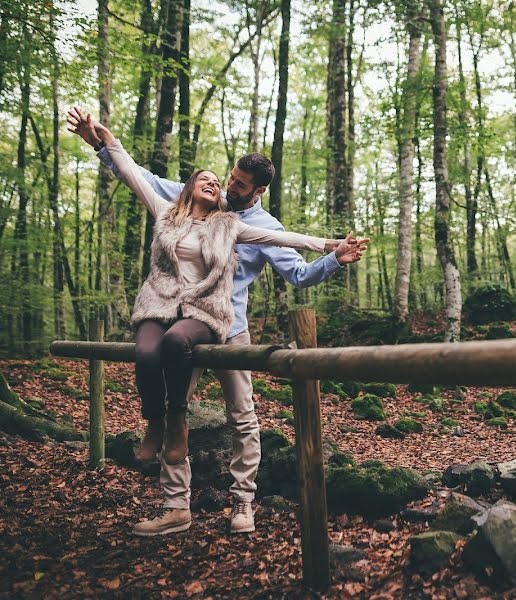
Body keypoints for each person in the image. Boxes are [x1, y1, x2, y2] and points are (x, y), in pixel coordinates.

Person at [67, 108, 367, 536]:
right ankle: (176, 507)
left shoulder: (262, 226)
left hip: (232, 329)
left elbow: (299, 275)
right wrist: (101, 144)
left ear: (258, 189)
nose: (229, 186)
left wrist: (333, 257)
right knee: (176, 411)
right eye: (229, 177)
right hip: (181, 324)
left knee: (242, 416)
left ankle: (243, 502)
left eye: (240, 185)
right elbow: (142, 178)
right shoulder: (198, 199)